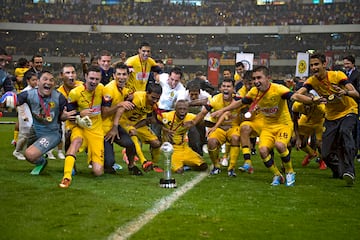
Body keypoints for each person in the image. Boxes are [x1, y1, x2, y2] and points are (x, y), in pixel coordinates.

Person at [212, 66, 298, 186]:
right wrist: (223, 112)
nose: (253, 83)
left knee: (281, 145)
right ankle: (250, 163)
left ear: (268, 78)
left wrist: (312, 100)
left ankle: (289, 171)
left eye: (257, 79)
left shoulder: (277, 89)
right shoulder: (246, 92)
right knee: (250, 135)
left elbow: (295, 97)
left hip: (277, 123)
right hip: (261, 122)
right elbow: (240, 106)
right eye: (251, 80)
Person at [294, 53, 359, 186]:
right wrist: (313, 99)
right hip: (331, 116)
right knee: (325, 153)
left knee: (345, 132)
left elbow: (356, 93)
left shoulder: (337, 75)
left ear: (324, 64)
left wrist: (344, 92)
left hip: (348, 111)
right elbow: (296, 96)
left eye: (316, 64)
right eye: (311, 65)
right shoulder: (312, 81)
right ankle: (340, 172)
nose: (313, 67)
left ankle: (349, 171)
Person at [6, 71, 76, 175]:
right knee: (29, 156)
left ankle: (69, 165)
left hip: (52, 133)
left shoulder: (59, 97)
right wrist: (8, 99)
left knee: (30, 154)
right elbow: (15, 100)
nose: (49, 82)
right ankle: (42, 162)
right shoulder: (29, 94)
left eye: (51, 80)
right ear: (38, 82)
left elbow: (69, 114)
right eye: (45, 79)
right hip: (35, 131)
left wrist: (64, 117)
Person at [59, 65, 105, 188]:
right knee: (76, 141)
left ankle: (91, 158)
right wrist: (80, 114)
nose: (94, 82)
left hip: (96, 129)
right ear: (85, 77)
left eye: (97, 79)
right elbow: (70, 114)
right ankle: (67, 176)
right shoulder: (75, 93)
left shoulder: (102, 89)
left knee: (98, 172)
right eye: (91, 78)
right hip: (78, 126)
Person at [106, 83, 163, 173]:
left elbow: (150, 119)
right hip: (124, 121)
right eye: (153, 97)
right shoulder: (137, 97)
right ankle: (143, 161)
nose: (155, 100)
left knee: (156, 143)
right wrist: (116, 125)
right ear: (147, 93)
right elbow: (121, 108)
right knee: (133, 134)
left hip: (137, 124)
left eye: (157, 98)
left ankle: (154, 164)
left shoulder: (154, 105)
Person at [191, 78, 241, 177]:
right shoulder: (214, 99)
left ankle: (231, 168)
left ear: (233, 89)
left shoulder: (239, 99)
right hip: (218, 128)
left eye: (228, 86)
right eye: (224, 86)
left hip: (233, 127)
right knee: (211, 141)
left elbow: (249, 108)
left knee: (235, 138)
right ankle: (216, 166)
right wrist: (192, 123)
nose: (226, 89)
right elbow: (203, 113)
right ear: (220, 88)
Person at [101, 63, 142, 175]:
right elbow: (104, 112)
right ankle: (99, 160)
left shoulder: (124, 90)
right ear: (114, 75)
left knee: (130, 144)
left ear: (128, 76)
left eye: (124, 74)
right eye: (118, 74)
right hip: (103, 128)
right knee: (109, 163)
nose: (121, 77)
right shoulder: (109, 89)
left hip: (115, 125)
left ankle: (131, 166)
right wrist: (120, 104)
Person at [158, 100, 208, 173]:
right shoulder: (166, 116)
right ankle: (180, 165)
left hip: (184, 148)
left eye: (184, 109)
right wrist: (164, 129)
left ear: (187, 110)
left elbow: (201, 121)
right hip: (171, 149)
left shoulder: (190, 117)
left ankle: (185, 165)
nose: (182, 111)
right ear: (175, 109)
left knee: (203, 166)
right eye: (180, 109)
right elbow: (154, 121)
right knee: (179, 171)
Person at [292, 90, 327, 170]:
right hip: (306, 119)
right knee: (296, 141)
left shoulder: (321, 108)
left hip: (319, 121)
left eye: (309, 105)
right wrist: (298, 138)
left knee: (319, 143)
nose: (307, 107)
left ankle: (323, 161)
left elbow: (328, 117)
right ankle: (311, 154)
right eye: (305, 105)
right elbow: (295, 121)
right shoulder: (297, 105)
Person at [56, 64, 84, 160]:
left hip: (85, 117)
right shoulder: (58, 93)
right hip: (68, 121)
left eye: (73, 72)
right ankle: (68, 159)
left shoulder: (82, 86)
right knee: (66, 132)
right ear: (61, 75)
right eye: (68, 73)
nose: (71, 75)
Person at [12, 71, 38, 160]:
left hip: (34, 115)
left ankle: (34, 152)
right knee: (24, 135)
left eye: (36, 80)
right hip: (26, 116)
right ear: (28, 81)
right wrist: (23, 116)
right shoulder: (25, 91)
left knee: (35, 134)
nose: (35, 82)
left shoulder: (37, 90)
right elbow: (20, 105)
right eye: (33, 80)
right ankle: (17, 151)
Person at [185, 82, 211, 156]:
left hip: (203, 116)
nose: (193, 97)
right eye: (191, 95)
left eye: (196, 94)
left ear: (199, 93)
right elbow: (180, 104)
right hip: (188, 117)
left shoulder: (205, 95)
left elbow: (208, 101)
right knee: (193, 134)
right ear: (188, 92)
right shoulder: (183, 94)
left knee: (201, 130)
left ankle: (203, 142)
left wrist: (189, 103)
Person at [343, 55, 360, 162]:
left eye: (348, 64)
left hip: (356, 105)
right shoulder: (343, 75)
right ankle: (351, 152)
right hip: (346, 106)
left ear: (353, 64)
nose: (346, 66)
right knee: (350, 130)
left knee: (356, 131)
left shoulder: (358, 75)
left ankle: (355, 152)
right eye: (344, 64)